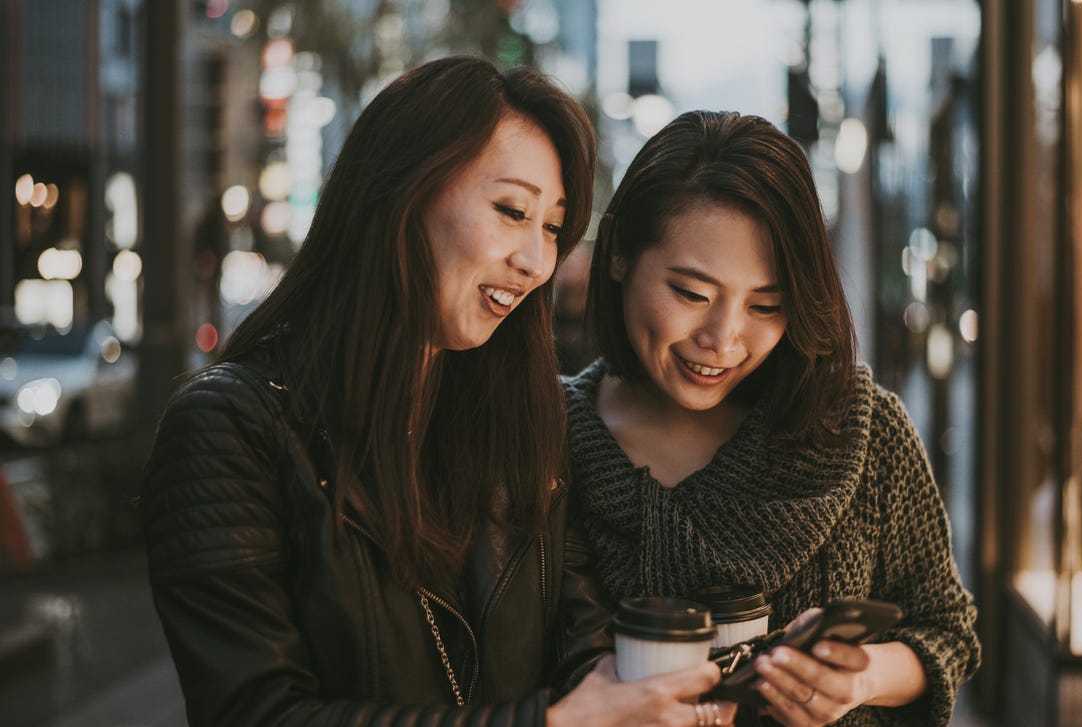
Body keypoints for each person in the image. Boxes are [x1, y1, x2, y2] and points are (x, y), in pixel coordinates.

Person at [141, 57, 726, 727]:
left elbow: (582, 645)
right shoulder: (229, 431)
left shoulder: (526, 419)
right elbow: (256, 711)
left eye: (553, 227)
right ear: (403, 193)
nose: (536, 261)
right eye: (512, 211)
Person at [564, 110, 981, 727]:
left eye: (766, 305)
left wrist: (860, 678)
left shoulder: (862, 431)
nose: (723, 339)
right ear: (620, 251)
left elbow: (947, 630)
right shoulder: (547, 438)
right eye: (692, 294)